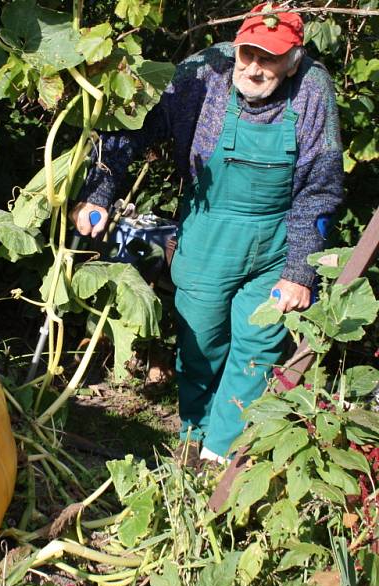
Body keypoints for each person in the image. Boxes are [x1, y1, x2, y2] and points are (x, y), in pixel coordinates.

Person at [72, 3, 343, 462]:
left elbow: (320, 186)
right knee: (202, 342)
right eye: (248, 54)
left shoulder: (313, 88)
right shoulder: (205, 72)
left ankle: (222, 457)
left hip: (277, 241)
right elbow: (134, 125)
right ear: (236, 48)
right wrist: (98, 191)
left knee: (259, 347)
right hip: (207, 231)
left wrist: (300, 269)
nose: (254, 69)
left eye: (270, 59)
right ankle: (192, 438)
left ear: (294, 58)